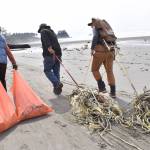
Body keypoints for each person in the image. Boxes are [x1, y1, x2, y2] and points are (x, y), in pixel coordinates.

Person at [88, 18, 116, 98]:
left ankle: (102, 88)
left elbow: (95, 37)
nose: (91, 27)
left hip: (100, 51)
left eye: (91, 25)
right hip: (111, 50)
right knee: (109, 71)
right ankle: (113, 92)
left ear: (94, 23)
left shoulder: (95, 27)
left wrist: (92, 48)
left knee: (94, 69)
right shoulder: (107, 28)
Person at [38, 23, 63, 95]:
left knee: (47, 70)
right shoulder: (52, 32)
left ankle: (57, 83)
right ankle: (57, 90)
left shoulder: (43, 31)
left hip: (50, 54)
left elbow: (46, 41)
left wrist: (49, 48)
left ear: (41, 28)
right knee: (56, 72)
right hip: (58, 53)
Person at [0, 26, 18, 91]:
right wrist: (14, 63)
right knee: (2, 80)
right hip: (3, 63)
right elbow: (8, 52)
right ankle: (5, 98)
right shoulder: (2, 39)